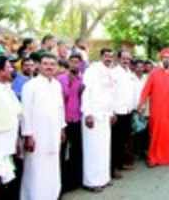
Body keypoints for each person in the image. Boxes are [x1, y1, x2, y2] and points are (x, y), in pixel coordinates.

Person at [20, 53, 66, 200]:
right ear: (39, 65)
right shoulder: (30, 86)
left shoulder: (57, 85)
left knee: (52, 166)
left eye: (52, 64)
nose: (49, 67)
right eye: (45, 63)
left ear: (57, 67)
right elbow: (25, 112)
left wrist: (62, 128)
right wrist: (28, 135)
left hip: (53, 133)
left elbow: (60, 108)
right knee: (35, 168)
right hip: (36, 135)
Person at [137, 48, 169, 167]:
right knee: (156, 134)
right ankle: (153, 158)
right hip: (157, 110)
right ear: (161, 59)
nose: (166, 60)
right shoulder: (154, 73)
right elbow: (146, 90)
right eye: (164, 58)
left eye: (168, 58)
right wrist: (141, 103)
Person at [81, 48, 117, 192]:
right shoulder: (92, 70)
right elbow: (86, 92)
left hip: (105, 115)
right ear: (101, 56)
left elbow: (110, 95)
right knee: (93, 150)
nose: (109, 58)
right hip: (93, 115)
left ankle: (103, 178)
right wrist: (88, 113)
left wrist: (112, 112)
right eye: (106, 56)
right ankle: (91, 182)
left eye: (111, 56)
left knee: (104, 148)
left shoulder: (110, 72)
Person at [0, 56, 22, 200]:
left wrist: (16, 141)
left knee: (4, 181)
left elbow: (15, 114)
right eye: (8, 67)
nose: (12, 69)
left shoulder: (7, 89)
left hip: (7, 145)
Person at [57, 54, 84, 193]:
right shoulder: (61, 79)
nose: (75, 64)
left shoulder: (81, 79)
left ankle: (75, 180)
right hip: (64, 121)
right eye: (72, 62)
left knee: (76, 151)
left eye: (77, 62)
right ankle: (60, 184)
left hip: (77, 119)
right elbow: (61, 100)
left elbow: (81, 97)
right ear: (68, 63)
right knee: (61, 153)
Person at [111, 50, 137, 177]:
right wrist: (112, 112)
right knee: (115, 141)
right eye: (124, 58)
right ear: (119, 58)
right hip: (117, 112)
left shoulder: (129, 73)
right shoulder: (113, 73)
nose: (126, 60)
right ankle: (113, 168)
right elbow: (110, 94)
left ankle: (120, 163)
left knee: (124, 140)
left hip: (128, 111)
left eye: (128, 58)